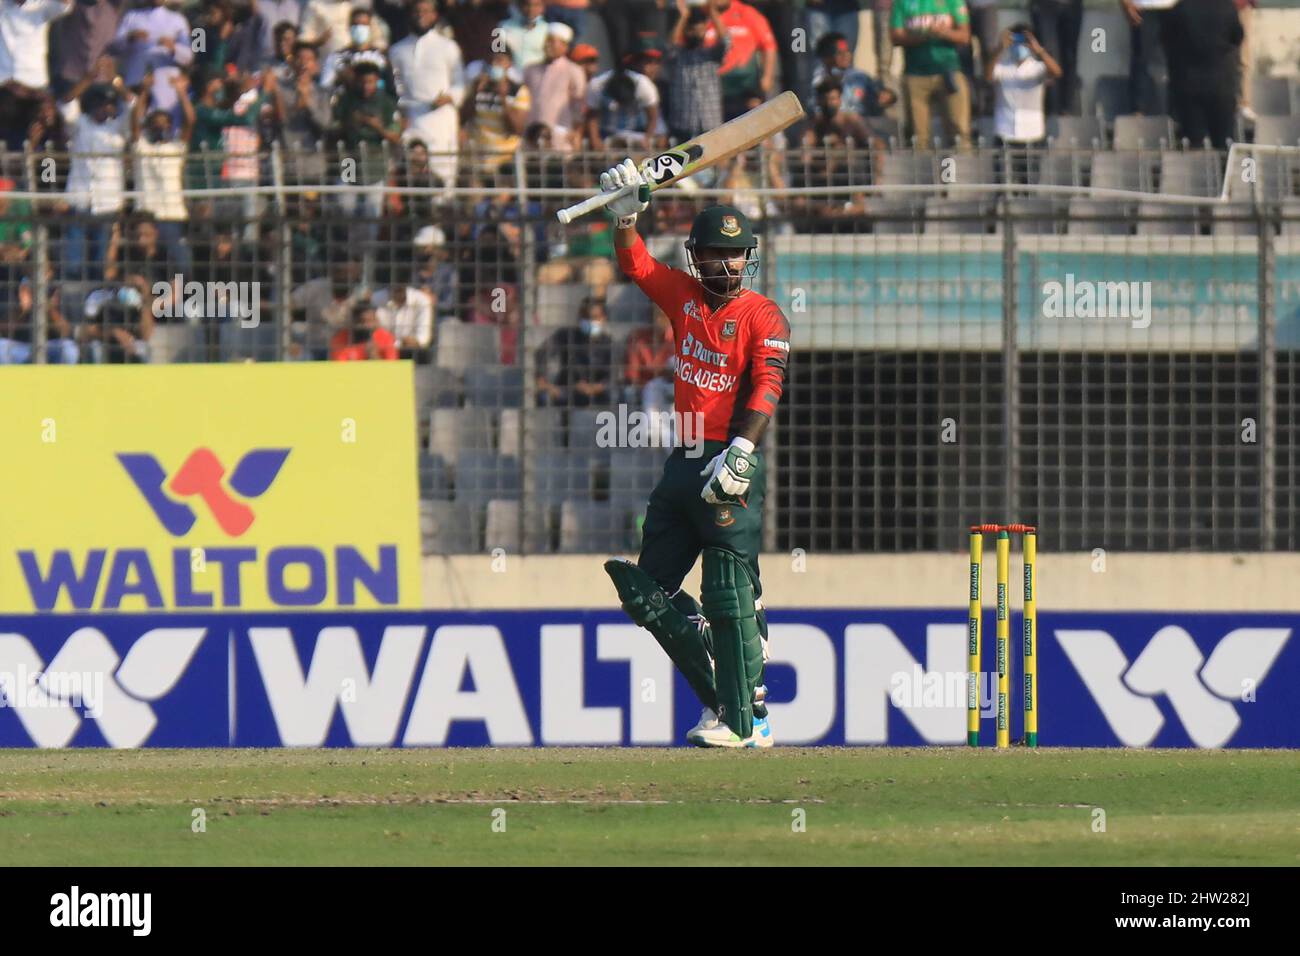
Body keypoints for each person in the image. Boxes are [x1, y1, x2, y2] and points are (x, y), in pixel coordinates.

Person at [599, 157, 790, 748]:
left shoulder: (762, 314)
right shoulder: (682, 296)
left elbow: (767, 383)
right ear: (697, 257)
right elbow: (635, 263)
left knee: (725, 588)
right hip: (682, 459)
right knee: (649, 591)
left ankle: (748, 717)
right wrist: (627, 217)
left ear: (748, 258)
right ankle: (726, 669)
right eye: (715, 254)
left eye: (735, 255)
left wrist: (741, 449)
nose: (726, 264)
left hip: (726, 461)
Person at [389, 0, 463, 189]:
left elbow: (460, 83)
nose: (421, 15)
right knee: (411, 174)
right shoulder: (397, 50)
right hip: (411, 118)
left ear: (435, 15)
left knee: (443, 173)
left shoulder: (448, 47)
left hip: (440, 118)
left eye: (426, 11)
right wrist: (400, 116)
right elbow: (395, 87)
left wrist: (449, 97)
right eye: (417, 11)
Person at [1159, 0, 1242, 149]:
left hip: (1188, 85)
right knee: (1224, 143)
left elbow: (1166, 40)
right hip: (1221, 84)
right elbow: (1237, 36)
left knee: (1194, 143)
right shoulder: (1227, 7)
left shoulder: (1180, 9)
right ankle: (1223, 171)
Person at [891, 0, 971, 146]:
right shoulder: (902, 2)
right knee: (918, 136)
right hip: (915, 73)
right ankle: (920, 168)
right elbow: (896, 37)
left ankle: (959, 167)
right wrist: (924, 36)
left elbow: (964, 36)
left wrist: (943, 32)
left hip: (948, 71)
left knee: (959, 131)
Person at [986, 26, 1061, 145]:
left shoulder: (1038, 67)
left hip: (1032, 132)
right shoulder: (1001, 66)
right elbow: (988, 76)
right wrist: (1000, 48)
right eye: (1015, 40)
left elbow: (1057, 72)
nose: (1019, 45)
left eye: (1023, 41)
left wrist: (1039, 50)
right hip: (1004, 131)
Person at [810, 31, 896, 120]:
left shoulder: (860, 77)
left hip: (861, 126)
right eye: (839, 53)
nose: (846, 56)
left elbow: (878, 100)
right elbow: (813, 110)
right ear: (826, 57)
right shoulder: (816, 80)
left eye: (847, 51)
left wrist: (886, 97)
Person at [1028, 0, 1081, 115]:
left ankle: (1067, 110)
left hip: (1072, 4)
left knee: (1070, 58)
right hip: (1044, 5)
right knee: (1047, 57)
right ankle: (1050, 110)